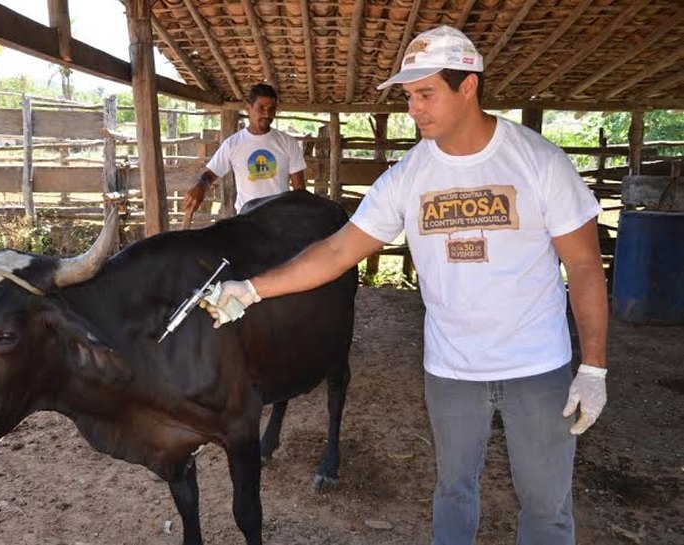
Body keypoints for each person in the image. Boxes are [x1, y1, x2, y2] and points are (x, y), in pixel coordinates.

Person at [203, 25, 608, 545]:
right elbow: (336, 250)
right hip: (451, 370)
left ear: (468, 87)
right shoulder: (409, 175)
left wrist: (592, 367)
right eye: (409, 96)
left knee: (546, 509)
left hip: (537, 368)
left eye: (425, 94)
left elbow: (583, 266)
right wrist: (252, 288)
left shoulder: (540, 162)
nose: (413, 108)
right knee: (454, 494)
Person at [184, 83, 307, 216]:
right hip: (246, 221)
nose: (267, 113)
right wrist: (200, 186)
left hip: (279, 221)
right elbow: (210, 174)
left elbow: (299, 190)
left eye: (271, 108)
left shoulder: (288, 142)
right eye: (261, 107)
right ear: (248, 108)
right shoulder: (232, 144)